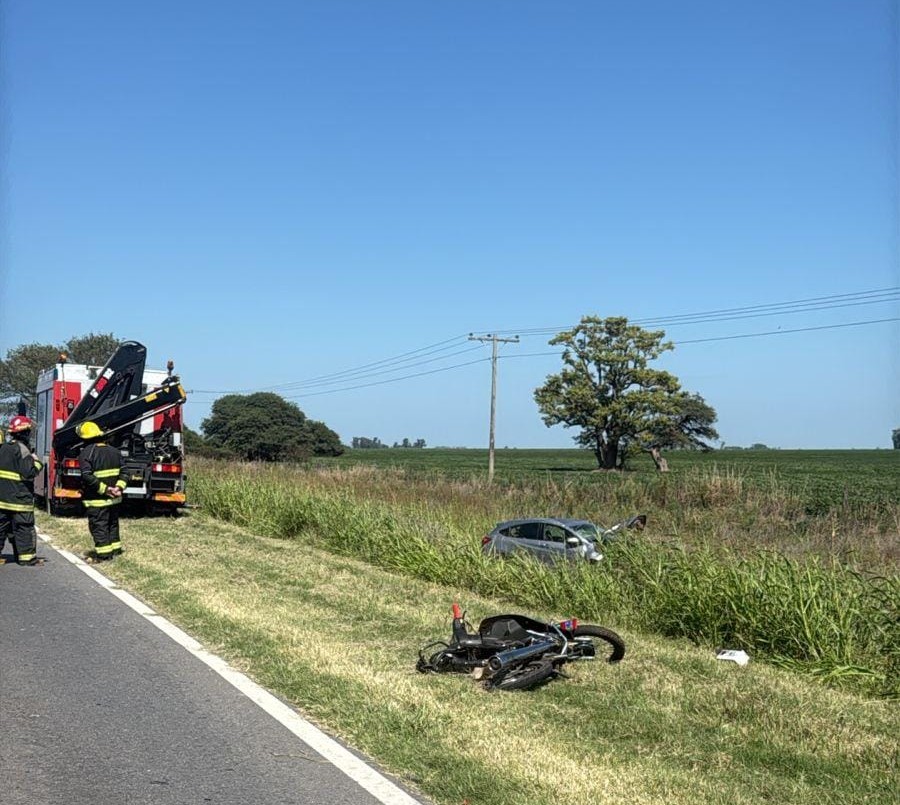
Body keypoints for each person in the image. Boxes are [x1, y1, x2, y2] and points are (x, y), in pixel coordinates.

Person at [77, 421, 128, 561]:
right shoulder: (115, 451)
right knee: (112, 524)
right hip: (115, 498)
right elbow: (125, 472)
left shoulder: (86, 453)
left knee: (99, 526)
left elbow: (87, 476)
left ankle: (104, 555)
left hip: (97, 499)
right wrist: (119, 487)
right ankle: (116, 550)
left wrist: (105, 490)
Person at [0, 415, 44, 566]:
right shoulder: (24, 450)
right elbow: (28, 473)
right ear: (25, 433)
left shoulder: (3, 448)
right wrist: (38, 463)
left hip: (2, 499)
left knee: (1, 528)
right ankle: (27, 559)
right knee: (23, 529)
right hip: (19, 500)